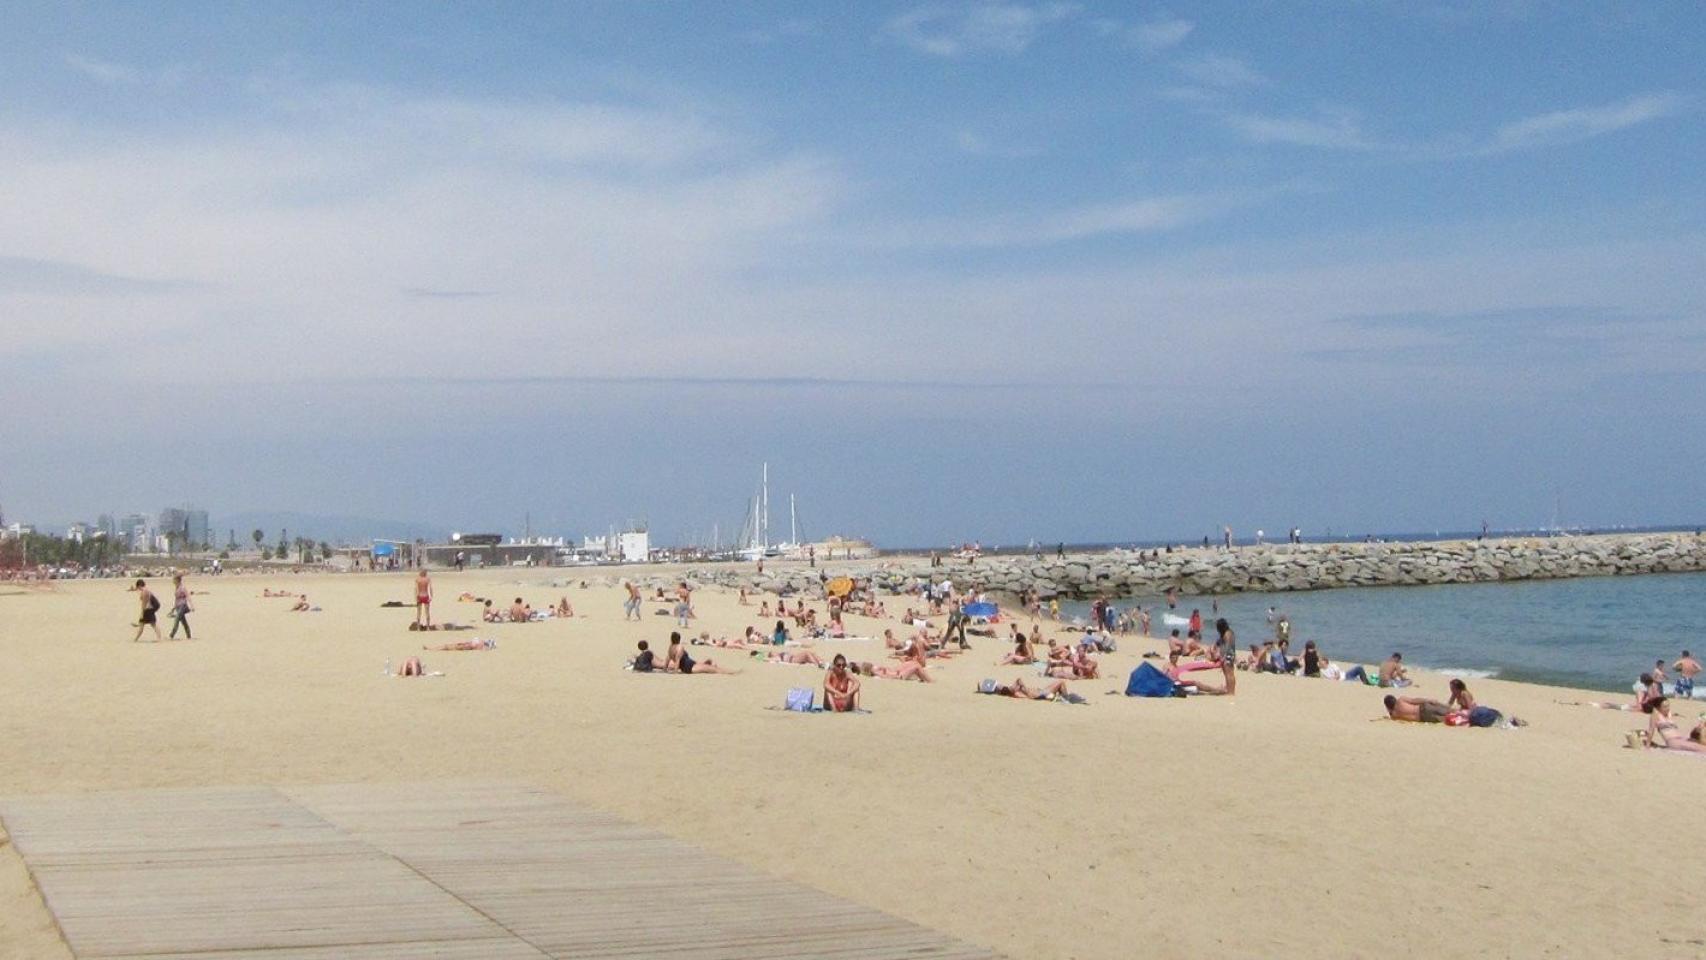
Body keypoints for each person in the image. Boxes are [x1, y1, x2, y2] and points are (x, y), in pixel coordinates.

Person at [664, 632, 736, 674]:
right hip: (690, 667)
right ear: (679, 639)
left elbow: (667, 659)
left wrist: (665, 669)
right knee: (713, 669)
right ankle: (730, 672)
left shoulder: (670, 648)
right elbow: (677, 660)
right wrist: (675, 672)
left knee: (708, 662)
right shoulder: (679, 647)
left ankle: (730, 671)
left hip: (690, 665)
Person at [1384, 694, 1451, 723]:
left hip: (1424, 718)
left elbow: (1390, 714)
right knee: (1447, 711)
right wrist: (1428, 700)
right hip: (1423, 708)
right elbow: (1415, 700)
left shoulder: (1394, 716)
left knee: (1446, 718)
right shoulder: (1401, 700)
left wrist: (1389, 710)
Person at [1215, 618, 1237, 696]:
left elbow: (1228, 646)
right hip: (1227, 655)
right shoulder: (1225, 633)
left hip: (1228, 655)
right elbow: (1219, 643)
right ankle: (1229, 689)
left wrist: (1224, 656)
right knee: (1227, 673)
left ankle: (1231, 691)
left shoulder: (1228, 633)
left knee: (1229, 673)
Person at [169, 573, 193, 640]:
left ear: (177, 580)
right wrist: (173, 608)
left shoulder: (182, 588)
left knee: (176, 619)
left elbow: (188, 596)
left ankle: (171, 635)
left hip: (183, 606)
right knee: (183, 621)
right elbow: (176, 599)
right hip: (178, 606)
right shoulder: (176, 588)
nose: (173, 581)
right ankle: (189, 635)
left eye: (174, 580)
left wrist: (191, 606)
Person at [424, 637, 496, 651]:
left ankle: (431, 649)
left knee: (446, 647)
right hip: (466, 645)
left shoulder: (481, 645)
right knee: (447, 646)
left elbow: (471, 645)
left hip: (466, 646)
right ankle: (431, 648)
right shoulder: (481, 644)